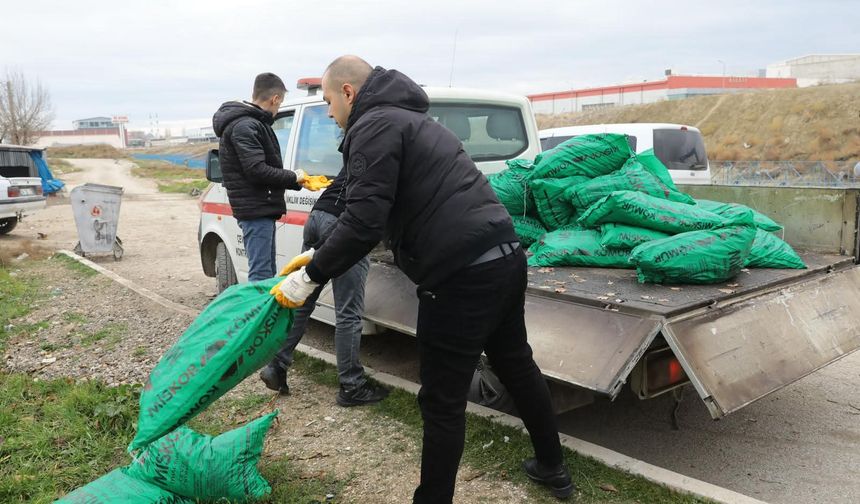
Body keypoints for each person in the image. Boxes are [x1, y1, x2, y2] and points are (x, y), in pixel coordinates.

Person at [272, 56, 573, 502]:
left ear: (349, 92)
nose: (332, 113)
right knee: (517, 366)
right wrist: (322, 253)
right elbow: (380, 211)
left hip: (460, 276)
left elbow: (364, 220)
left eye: (331, 101)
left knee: (442, 401)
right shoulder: (414, 121)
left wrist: (312, 275)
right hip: (505, 256)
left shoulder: (373, 126)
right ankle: (553, 468)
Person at [258, 166, 390, 406]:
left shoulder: (368, 149)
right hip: (346, 225)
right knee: (348, 312)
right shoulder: (393, 156)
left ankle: (277, 365)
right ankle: (352, 385)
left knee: (303, 297)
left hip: (318, 215)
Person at [212, 72, 314, 281]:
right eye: (280, 103)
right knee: (260, 275)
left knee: (266, 272)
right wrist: (294, 177)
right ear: (275, 99)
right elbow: (257, 170)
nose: (277, 110)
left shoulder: (249, 123)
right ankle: (258, 314)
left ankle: (266, 314)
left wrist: (296, 181)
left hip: (260, 209)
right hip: (256, 210)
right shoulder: (245, 125)